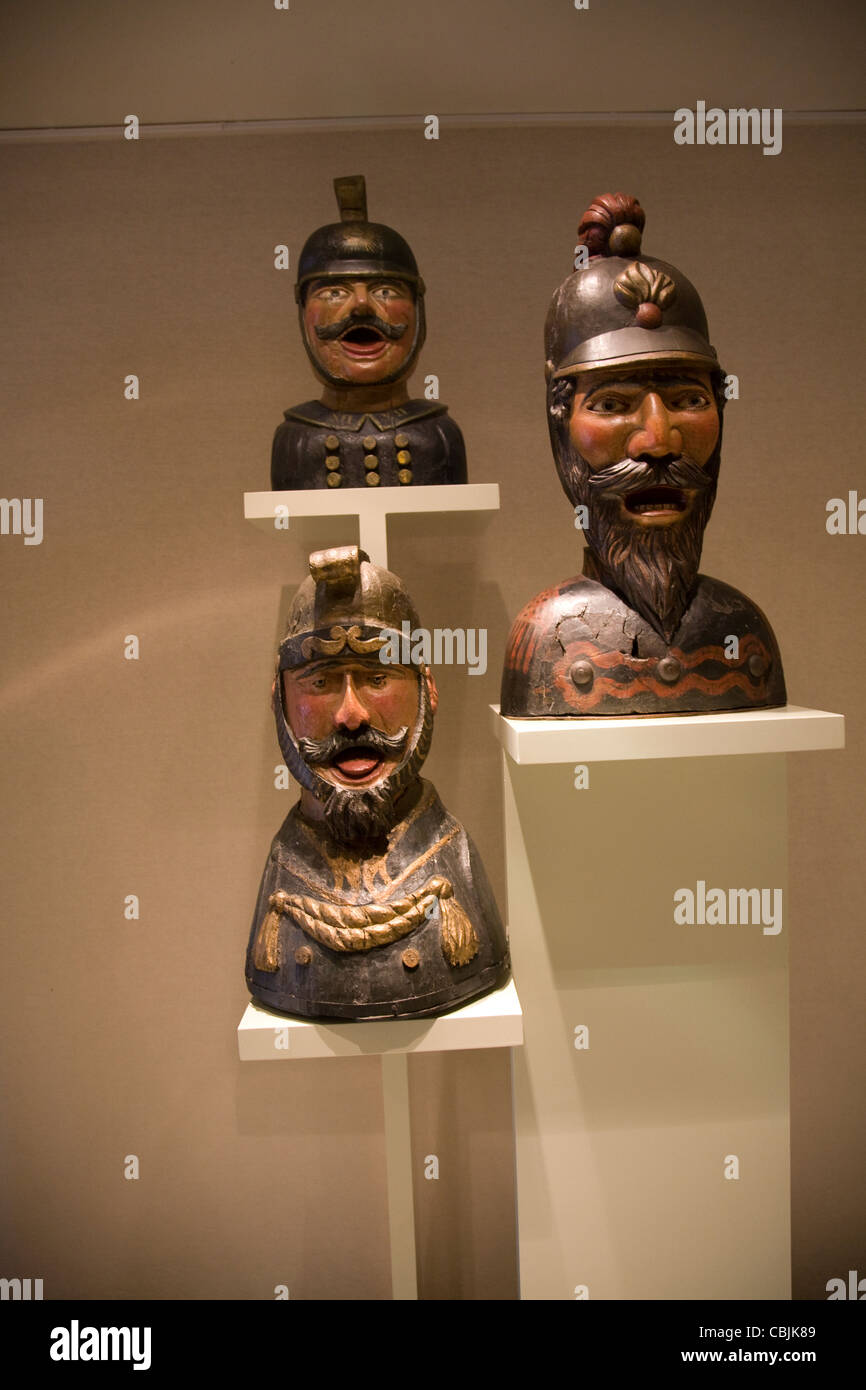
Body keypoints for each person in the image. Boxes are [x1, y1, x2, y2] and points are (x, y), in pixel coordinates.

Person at [501, 192, 786, 716]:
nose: (659, 440)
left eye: (688, 401)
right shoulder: (546, 640)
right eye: (613, 404)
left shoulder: (742, 635)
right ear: (559, 422)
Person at [246, 546, 508, 1019]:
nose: (351, 715)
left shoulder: (454, 862)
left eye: (378, 677)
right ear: (278, 702)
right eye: (320, 683)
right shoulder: (283, 881)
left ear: (428, 691)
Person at [270, 175, 467, 490]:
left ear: (418, 309)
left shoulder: (439, 434)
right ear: (303, 312)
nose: (361, 306)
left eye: (385, 290)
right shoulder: (295, 437)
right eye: (335, 292)